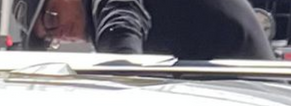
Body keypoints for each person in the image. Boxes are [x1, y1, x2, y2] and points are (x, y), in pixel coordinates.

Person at [14, 0, 276, 61]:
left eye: (51, 18)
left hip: (252, 100)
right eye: (47, 38)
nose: (57, 32)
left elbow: (121, 21)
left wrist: (121, 63)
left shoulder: (107, 5)